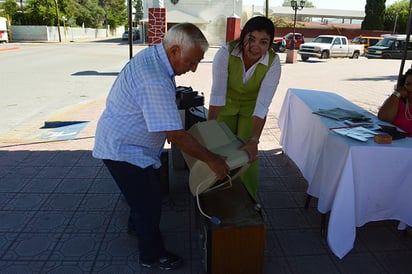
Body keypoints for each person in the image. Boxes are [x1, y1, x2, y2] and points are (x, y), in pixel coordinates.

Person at [92, 23, 230, 271]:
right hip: (124, 149)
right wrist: (212, 159)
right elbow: (176, 135)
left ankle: (137, 226)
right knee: (150, 202)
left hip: (127, 143)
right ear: (175, 51)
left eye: (198, 62)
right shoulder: (154, 79)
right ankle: (151, 254)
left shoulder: (154, 56)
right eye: (191, 61)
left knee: (143, 192)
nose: (193, 69)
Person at [207, 16, 282, 199]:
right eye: (251, 39)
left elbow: (263, 104)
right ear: (243, 37)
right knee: (221, 149)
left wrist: (254, 141)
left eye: (264, 42)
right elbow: (217, 94)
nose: (256, 46)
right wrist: (208, 131)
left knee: (248, 155)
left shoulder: (273, 62)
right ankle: (217, 194)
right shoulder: (225, 52)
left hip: (252, 109)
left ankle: (248, 198)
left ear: (270, 44)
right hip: (226, 104)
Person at [378, 68, 412, 136]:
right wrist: (396, 94)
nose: (411, 88)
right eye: (408, 84)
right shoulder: (397, 100)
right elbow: (384, 118)